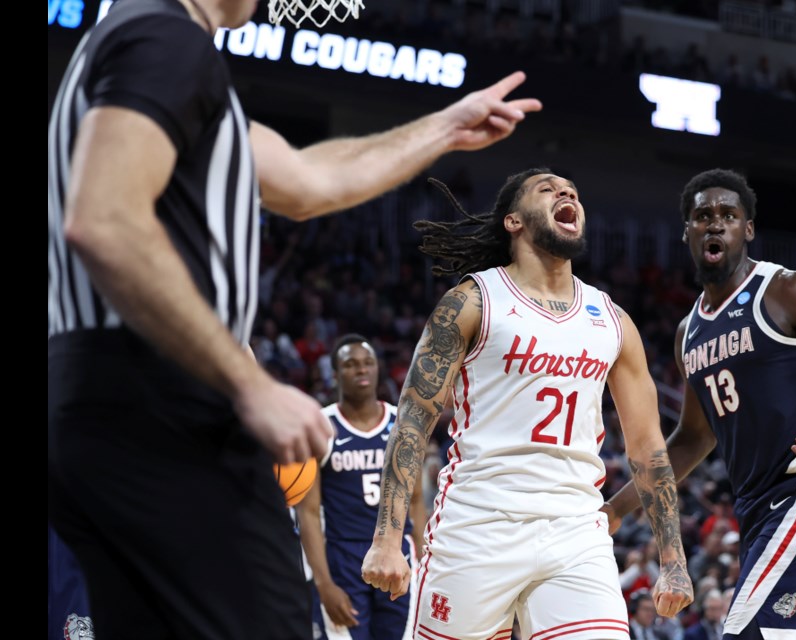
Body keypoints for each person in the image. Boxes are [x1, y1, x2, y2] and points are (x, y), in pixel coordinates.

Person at [47, 0, 542, 637]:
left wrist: (445, 127)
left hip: (91, 402)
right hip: (161, 402)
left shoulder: (135, 49)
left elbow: (308, 181)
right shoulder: (165, 38)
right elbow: (104, 218)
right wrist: (248, 384)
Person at [360, 168, 694, 639]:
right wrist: (387, 540)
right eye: (548, 189)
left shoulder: (614, 321)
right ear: (513, 221)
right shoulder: (473, 300)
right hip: (478, 525)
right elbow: (413, 421)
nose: (566, 193)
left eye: (573, 191)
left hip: (575, 529)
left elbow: (648, 450)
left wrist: (673, 559)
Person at [602, 168, 796, 639]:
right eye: (703, 216)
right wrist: (613, 510)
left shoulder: (790, 291)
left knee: (745, 632)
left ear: (748, 230)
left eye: (729, 215)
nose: (715, 224)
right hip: (755, 508)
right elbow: (693, 438)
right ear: (687, 232)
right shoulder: (688, 332)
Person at [296, 334, 427, 640]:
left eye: (368, 363)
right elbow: (309, 512)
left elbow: (418, 500)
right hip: (343, 555)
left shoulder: (402, 423)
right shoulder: (321, 426)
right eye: (351, 364)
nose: (361, 370)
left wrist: (423, 560)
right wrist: (323, 584)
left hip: (398, 551)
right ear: (336, 374)